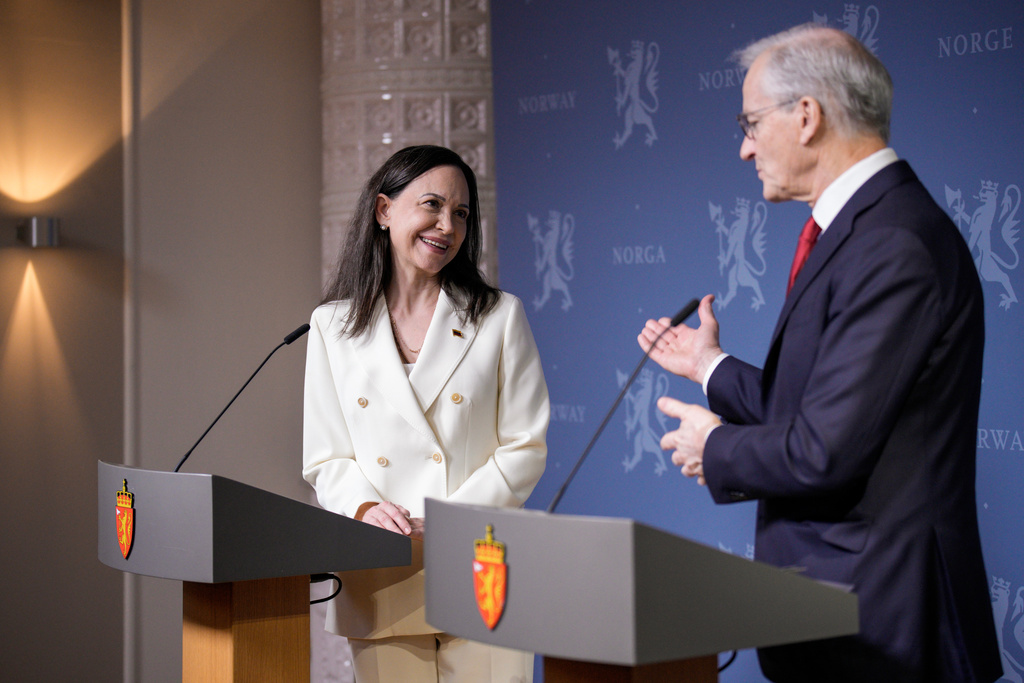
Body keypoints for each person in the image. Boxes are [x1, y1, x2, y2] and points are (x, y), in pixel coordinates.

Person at [638, 24, 1002, 683]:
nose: (745, 148)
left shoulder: (892, 243)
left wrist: (714, 446)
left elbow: (823, 449)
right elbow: (821, 404)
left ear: (806, 116)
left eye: (751, 123)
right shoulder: (862, 229)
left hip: (885, 631)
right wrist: (708, 366)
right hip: (839, 621)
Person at [303, 145, 549, 683]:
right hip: (381, 565)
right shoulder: (331, 326)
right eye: (432, 205)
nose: (447, 225)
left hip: (481, 559)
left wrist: (444, 519)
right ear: (384, 210)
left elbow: (525, 445)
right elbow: (326, 456)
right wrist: (365, 507)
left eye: (461, 213)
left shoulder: (499, 316)